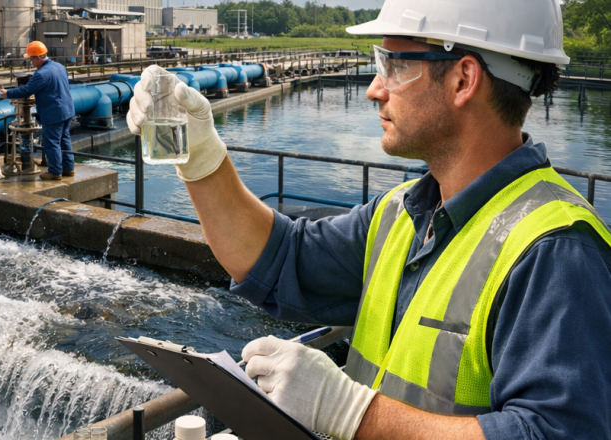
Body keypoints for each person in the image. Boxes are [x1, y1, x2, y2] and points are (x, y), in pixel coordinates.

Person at [127, 0, 611, 439]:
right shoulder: (403, 212)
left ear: (464, 79)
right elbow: (275, 258)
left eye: (395, 65)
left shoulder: (556, 250)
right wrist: (199, 156)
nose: (374, 90)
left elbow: (556, 433)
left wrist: (354, 413)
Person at [0, 41, 75, 180]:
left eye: (31, 59)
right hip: (67, 109)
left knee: (51, 142)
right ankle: (68, 169)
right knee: (64, 139)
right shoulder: (59, 66)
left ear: (38, 57)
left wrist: (8, 93)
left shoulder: (41, 74)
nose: (31, 62)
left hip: (53, 113)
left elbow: (27, 90)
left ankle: (55, 172)